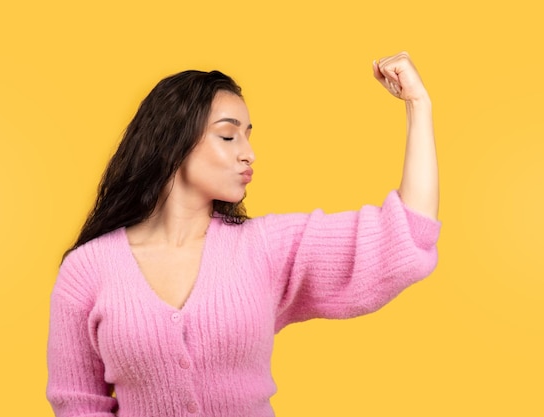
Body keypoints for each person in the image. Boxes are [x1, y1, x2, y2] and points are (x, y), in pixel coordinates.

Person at [47, 51, 441, 417]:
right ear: (173, 143)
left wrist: (418, 106)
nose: (249, 153)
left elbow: (408, 232)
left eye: (248, 135)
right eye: (228, 135)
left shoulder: (266, 247)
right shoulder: (87, 270)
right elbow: (78, 403)